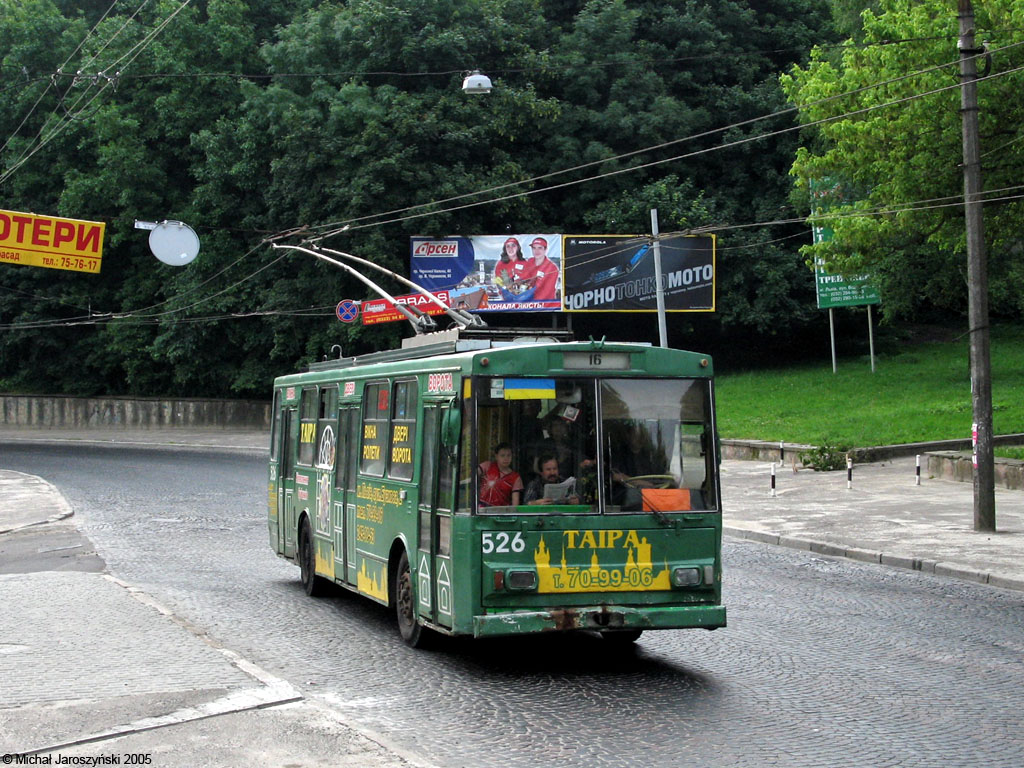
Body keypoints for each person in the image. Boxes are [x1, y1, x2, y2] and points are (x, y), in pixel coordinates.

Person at [478, 442, 523, 507]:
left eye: (508, 455)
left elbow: (515, 504)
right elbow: (472, 474)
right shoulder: (487, 466)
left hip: (501, 512)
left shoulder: (516, 478)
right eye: (502, 455)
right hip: (481, 510)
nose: (506, 458)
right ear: (496, 456)